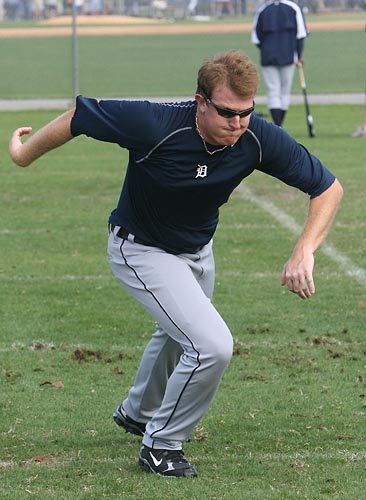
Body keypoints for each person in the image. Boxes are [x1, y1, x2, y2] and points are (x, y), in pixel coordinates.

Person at [9, 50, 343, 478]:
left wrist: (305, 250)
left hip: (197, 252)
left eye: (246, 112)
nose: (237, 124)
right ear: (200, 101)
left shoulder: (255, 136)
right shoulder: (154, 124)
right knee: (212, 346)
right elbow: (79, 117)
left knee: (176, 333)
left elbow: (327, 188)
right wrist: (22, 155)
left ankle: (137, 412)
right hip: (141, 249)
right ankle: (161, 444)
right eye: (226, 112)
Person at [251, 0, 308, 127]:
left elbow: (256, 38)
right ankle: (279, 124)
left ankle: (277, 124)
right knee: (284, 90)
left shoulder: (263, 10)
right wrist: (298, 55)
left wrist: (267, 49)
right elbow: (301, 35)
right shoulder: (294, 8)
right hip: (288, 56)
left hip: (268, 57)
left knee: (273, 90)